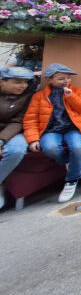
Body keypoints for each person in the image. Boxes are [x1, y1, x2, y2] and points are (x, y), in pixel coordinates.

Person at [23, 63, 81, 203]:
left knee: (78, 148)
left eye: (68, 78)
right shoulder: (39, 96)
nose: (66, 81)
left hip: (72, 128)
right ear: (49, 80)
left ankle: (72, 180)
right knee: (49, 148)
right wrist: (33, 139)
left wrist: (71, 97)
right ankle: (68, 162)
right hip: (50, 130)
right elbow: (30, 119)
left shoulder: (77, 91)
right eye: (61, 78)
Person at [0, 67, 35, 209]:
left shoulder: (28, 97)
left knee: (17, 150)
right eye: (17, 82)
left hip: (13, 132)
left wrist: (1, 141)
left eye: (26, 82)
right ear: (2, 81)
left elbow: (19, 121)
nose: (23, 86)